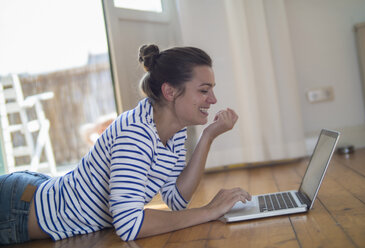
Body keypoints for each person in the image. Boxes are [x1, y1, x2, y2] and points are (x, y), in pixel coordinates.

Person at [0, 44, 251, 245]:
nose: (213, 99)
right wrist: (209, 211)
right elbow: (129, 225)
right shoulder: (136, 135)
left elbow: (175, 199)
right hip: (14, 209)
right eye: (204, 90)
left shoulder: (173, 131)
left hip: (39, 190)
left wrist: (208, 136)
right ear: (170, 91)